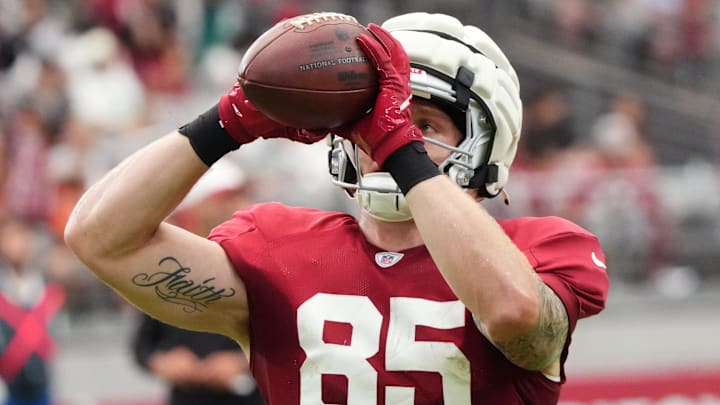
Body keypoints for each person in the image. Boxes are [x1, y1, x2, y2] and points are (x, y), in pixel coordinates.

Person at [64, 11, 609, 404]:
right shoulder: (276, 243)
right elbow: (99, 238)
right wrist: (225, 123)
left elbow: (515, 314)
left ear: (483, 148)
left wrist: (401, 148)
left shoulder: (544, 249)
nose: (388, 135)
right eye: (375, 119)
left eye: (426, 126)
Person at [131, 160, 264, 405]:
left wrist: (243, 362)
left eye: (238, 196)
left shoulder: (263, 263)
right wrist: (164, 361)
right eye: (225, 198)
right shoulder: (167, 266)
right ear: (196, 207)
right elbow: (143, 344)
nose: (237, 205)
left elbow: (293, 337)